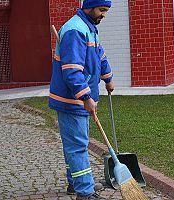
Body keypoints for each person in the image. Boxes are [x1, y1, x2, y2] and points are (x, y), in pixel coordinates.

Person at [48, 0, 114, 199]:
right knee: (77, 146)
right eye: (102, 10)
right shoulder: (74, 30)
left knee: (75, 144)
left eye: (106, 11)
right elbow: (71, 70)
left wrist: (108, 77)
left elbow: (99, 55)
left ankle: (74, 183)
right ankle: (85, 192)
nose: (104, 14)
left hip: (82, 99)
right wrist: (85, 96)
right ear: (90, 6)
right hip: (71, 100)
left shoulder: (90, 28)